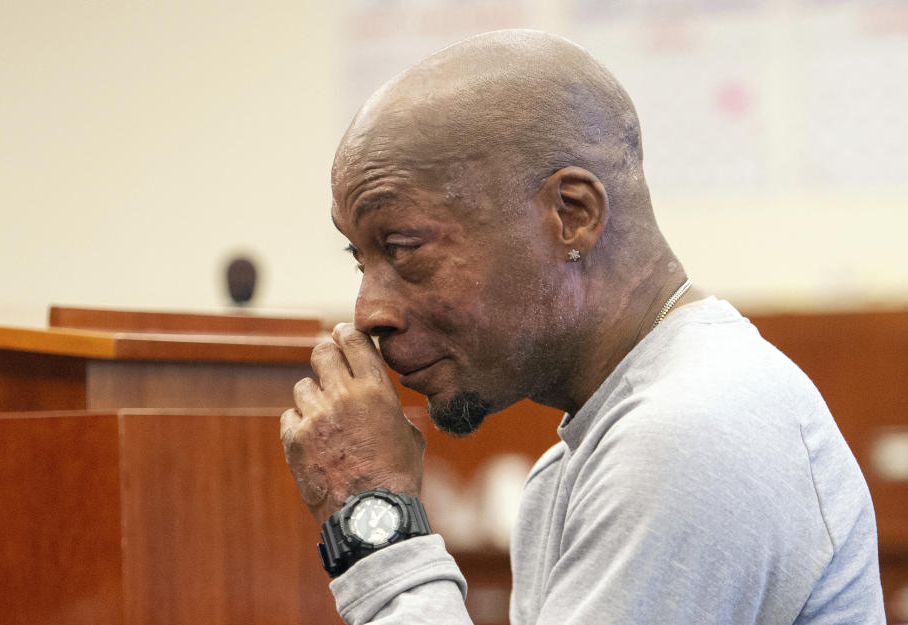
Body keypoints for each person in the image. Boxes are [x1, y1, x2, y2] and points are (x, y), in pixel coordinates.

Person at [280, 29, 885, 624]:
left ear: (573, 213)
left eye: (404, 247)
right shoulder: (584, 456)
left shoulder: (692, 429)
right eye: (361, 259)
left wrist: (372, 516)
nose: (368, 313)